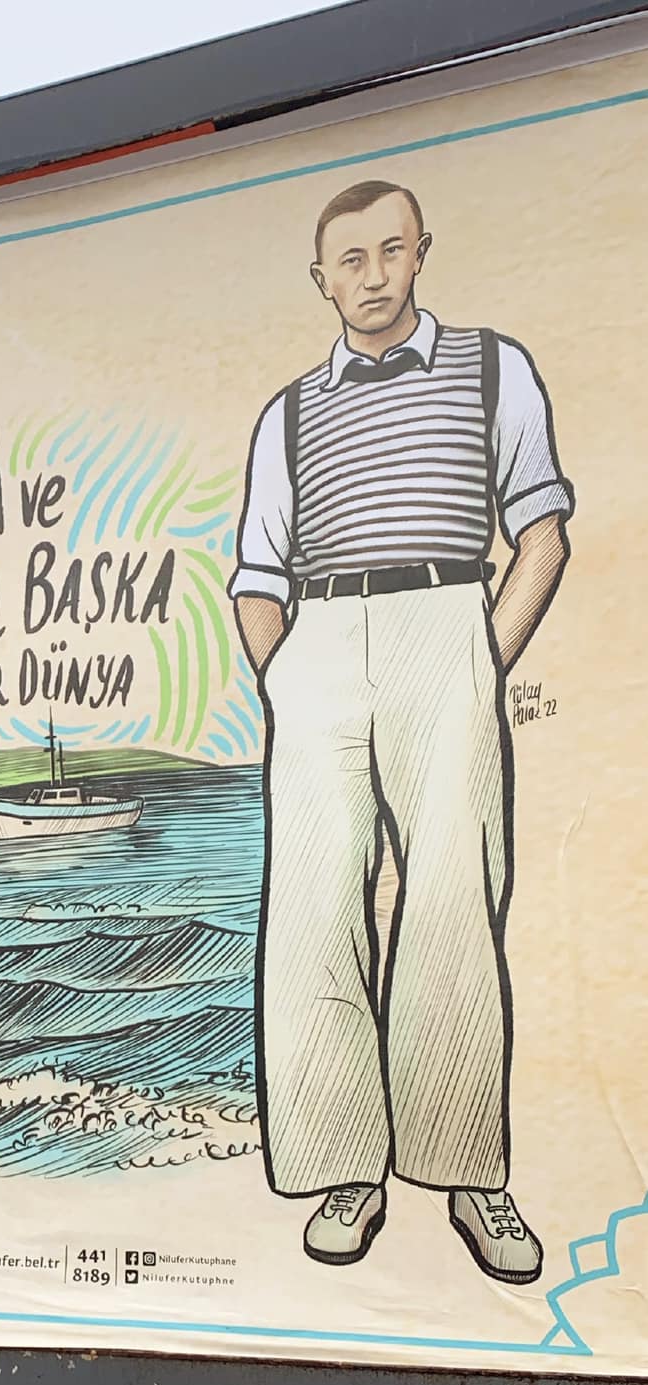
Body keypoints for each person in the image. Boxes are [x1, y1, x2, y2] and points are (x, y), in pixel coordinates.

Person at [228, 179, 573, 1281]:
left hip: (447, 616)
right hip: (320, 637)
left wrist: (480, 658)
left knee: (457, 896)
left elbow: (542, 535)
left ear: (422, 251)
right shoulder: (288, 413)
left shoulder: (493, 367)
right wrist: (286, 679)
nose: (373, 275)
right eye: (351, 259)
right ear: (320, 278)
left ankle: (469, 1171)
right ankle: (345, 1165)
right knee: (314, 901)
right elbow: (257, 572)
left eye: (391, 250)